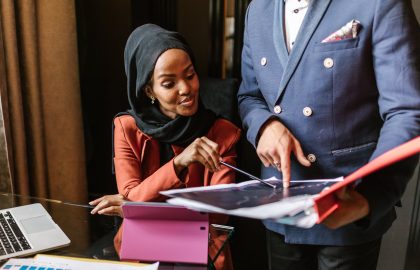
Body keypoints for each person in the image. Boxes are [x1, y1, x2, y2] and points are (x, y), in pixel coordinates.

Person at [237, 0, 420, 269]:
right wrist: (264, 126)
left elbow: (407, 110)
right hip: (281, 204)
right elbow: (249, 97)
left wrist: (370, 195)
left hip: (348, 206)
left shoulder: (380, 3)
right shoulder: (258, 10)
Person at [89, 24, 240, 270]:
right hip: (141, 246)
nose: (186, 88)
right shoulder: (126, 127)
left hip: (201, 249)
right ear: (149, 90)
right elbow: (132, 195)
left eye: (190, 75)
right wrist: (180, 163)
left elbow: (217, 216)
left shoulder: (223, 133)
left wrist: (136, 205)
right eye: (169, 84)